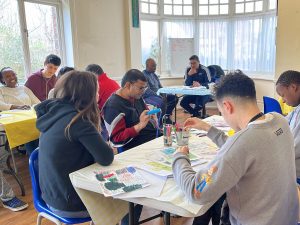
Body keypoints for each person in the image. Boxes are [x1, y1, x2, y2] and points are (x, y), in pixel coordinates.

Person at [173, 70, 299, 225]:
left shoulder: (242, 142)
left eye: (221, 111)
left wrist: (180, 156)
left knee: (213, 201)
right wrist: (208, 128)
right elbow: (246, 148)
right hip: (287, 218)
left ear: (227, 106)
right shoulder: (279, 120)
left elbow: (196, 191)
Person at [35, 71, 114, 218]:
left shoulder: (53, 113)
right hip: (71, 203)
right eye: (96, 91)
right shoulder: (78, 121)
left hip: (51, 195)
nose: (98, 96)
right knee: (125, 200)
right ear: (87, 95)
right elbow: (106, 158)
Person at [102, 69, 160, 151]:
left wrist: (151, 116)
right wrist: (140, 125)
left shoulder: (136, 96)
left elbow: (145, 111)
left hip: (150, 137)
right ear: (128, 85)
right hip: (136, 147)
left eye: (144, 88)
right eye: (141, 88)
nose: (143, 91)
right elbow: (116, 140)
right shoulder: (113, 106)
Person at [276, 70, 300, 178]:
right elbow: (283, 122)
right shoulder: (296, 109)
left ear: (293, 87)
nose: (283, 101)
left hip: (295, 175)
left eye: (283, 95)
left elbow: (293, 149)